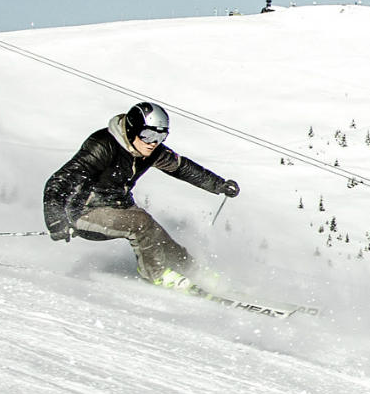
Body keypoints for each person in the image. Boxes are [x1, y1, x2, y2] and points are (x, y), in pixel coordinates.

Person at [42, 101, 240, 288]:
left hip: (119, 207)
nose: (153, 143)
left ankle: (194, 272)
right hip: (84, 211)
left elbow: (182, 167)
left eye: (160, 137)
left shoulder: (151, 151)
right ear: (131, 129)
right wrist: (55, 219)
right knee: (141, 224)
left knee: (158, 235)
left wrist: (219, 185)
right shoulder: (103, 145)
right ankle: (156, 274)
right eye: (147, 135)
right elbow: (60, 180)